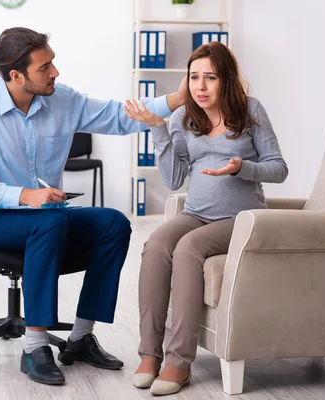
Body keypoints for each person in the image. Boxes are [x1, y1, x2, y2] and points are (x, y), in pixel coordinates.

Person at [0, 27, 187, 386]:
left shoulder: (62, 100)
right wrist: (26, 195)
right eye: (45, 67)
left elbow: (120, 115)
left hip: (44, 219)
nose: (55, 73)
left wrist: (179, 97)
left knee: (113, 223)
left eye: (53, 63)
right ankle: (34, 346)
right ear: (16, 75)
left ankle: (79, 337)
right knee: (51, 224)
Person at [123, 41, 288, 396]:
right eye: (194, 77)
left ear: (225, 80)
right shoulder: (184, 118)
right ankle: (149, 354)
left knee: (188, 249)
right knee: (156, 245)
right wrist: (158, 128)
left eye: (209, 78)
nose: (199, 86)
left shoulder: (251, 111)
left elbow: (279, 169)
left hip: (242, 217)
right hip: (197, 213)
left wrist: (242, 168)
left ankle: (178, 363)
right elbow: (173, 179)